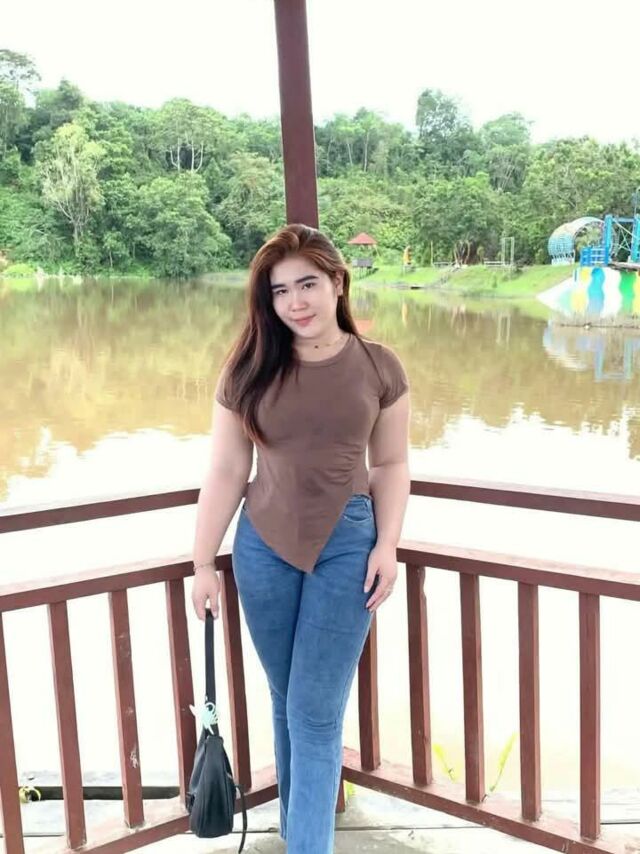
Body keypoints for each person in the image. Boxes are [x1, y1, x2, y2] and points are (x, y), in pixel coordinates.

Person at [191, 223, 410, 853]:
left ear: (338, 282)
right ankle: (298, 831)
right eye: (280, 290)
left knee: (314, 714)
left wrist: (388, 544)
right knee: (287, 698)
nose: (295, 302)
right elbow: (227, 469)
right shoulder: (249, 366)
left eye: (307, 284)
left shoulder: (379, 365)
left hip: (348, 547)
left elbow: (390, 463)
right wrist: (202, 563)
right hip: (262, 547)